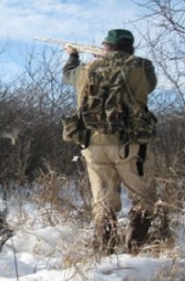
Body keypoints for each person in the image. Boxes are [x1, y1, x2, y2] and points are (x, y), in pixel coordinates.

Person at [62, 29, 158, 254]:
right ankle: (135, 248)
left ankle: (104, 251)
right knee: (142, 196)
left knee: (102, 197)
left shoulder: (87, 68)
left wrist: (73, 56)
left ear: (106, 47)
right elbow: (150, 86)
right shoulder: (142, 66)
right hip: (130, 143)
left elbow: (68, 75)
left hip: (93, 143)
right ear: (130, 47)